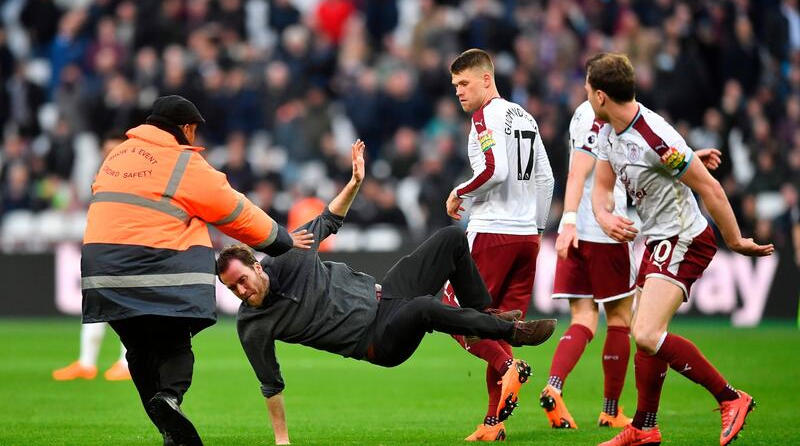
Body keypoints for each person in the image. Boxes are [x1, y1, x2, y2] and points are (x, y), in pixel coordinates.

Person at [216, 139, 558, 445]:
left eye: (242, 280)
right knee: (425, 307)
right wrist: (282, 441)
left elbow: (329, 219)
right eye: (233, 288)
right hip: (377, 340)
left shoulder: (291, 254)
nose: (240, 291)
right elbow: (270, 384)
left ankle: (489, 320)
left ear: (257, 266)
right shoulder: (253, 326)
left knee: (451, 239)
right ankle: (513, 331)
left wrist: (355, 183)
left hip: (386, 296)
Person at [81, 95, 312, 446]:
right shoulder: (182, 163)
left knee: (139, 352)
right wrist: (282, 240)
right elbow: (236, 212)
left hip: (102, 273)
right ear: (187, 128)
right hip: (155, 268)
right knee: (174, 344)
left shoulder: (116, 156)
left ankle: (171, 432)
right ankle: (170, 398)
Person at [584, 53, 773, 446]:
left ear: (600, 95)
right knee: (646, 335)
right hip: (658, 237)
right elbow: (601, 187)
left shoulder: (654, 136)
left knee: (648, 332)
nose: (585, 96)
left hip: (685, 237)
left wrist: (735, 241)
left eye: (587, 90)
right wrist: (604, 218)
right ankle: (644, 428)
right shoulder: (606, 131)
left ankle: (730, 397)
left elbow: (711, 188)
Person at [543, 102, 724, 430]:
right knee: (620, 320)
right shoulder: (612, 117)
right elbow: (605, 168)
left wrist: (568, 221)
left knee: (583, 318)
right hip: (607, 230)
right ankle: (610, 410)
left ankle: (554, 385)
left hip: (576, 230)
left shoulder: (580, 115)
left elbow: (632, 160)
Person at [443, 48, 554, 441]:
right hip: (525, 237)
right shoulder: (524, 116)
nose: (458, 91)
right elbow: (547, 179)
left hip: (493, 233)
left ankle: (509, 366)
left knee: (453, 311)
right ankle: (494, 424)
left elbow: (494, 170)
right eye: (455, 85)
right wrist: (537, 231)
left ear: (486, 79)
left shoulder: (484, 116)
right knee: (500, 326)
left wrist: (459, 192)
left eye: (464, 83)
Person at [54, 132, 132, 382]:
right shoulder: (101, 175)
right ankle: (86, 362)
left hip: (129, 248)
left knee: (127, 305)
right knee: (95, 302)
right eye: (107, 150)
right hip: (104, 247)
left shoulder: (135, 177)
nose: (110, 155)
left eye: (115, 150)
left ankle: (126, 363)